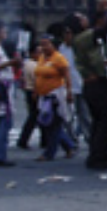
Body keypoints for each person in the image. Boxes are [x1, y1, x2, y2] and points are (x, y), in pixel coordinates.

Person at [70, 6, 107, 171]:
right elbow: (105, 29)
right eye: (81, 17)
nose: (85, 18)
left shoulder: (80, 39)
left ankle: (100, 154)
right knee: (105, 121)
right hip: (96, 84)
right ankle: (98, 157)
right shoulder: (83, 37)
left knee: (100, 121)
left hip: (94, 84)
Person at [34, 33, 76, 161]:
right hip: (44, 95)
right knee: (49, 124)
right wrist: (36, 91)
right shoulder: (42, 58)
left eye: (46, 44)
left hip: (55, 96)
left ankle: (49, 153)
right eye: (42, 45)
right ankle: (69, 146)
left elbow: (67, 76)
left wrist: (69, 92)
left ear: (53, 45)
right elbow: (38, 75)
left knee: (53, 124)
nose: (44, 47)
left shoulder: (59, 59)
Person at [0, 19, 16, 167]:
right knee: (5, 121)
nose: (5, 33)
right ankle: (0, 154)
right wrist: (11, 63)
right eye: (3, 30)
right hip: (0, 88)